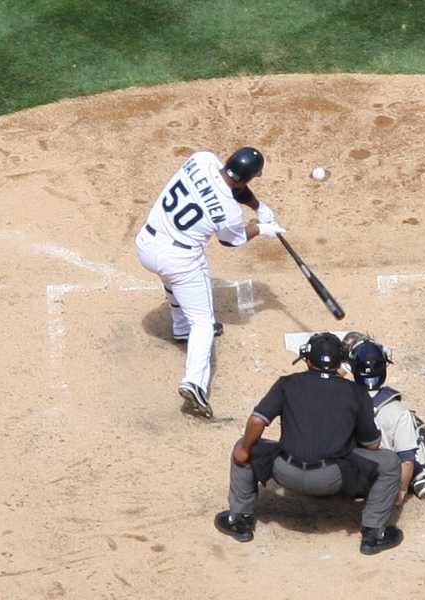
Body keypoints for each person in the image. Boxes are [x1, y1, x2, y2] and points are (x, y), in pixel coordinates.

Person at [214, 332, 405, 556]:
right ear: (341, 362)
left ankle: (239, 520)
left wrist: (245, 449)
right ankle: (373, 535)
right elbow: (371, 445)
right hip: (332, 478)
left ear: (307, 359)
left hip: (284, 471)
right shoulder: (357, 392)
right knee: (390, 462)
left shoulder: (287, 383)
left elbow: (257, 421)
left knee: (243, 444)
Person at [135, 147, 285, 418]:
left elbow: (232, 184)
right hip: (178, 260)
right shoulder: (229, 212)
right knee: (203, 322)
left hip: (147, 244)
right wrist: (262, 227)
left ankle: (181, 328)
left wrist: (258, 206)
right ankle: (194, 383)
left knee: (183, 275)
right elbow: (231, 240)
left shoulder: (201, 160)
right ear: (249, 178)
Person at [346, 335, 425, 505]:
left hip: (346, 479)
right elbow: (406, 460)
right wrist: (401, 490)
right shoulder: (398, 411)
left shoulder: (341, 402)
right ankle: (422, 476)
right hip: (383, 483)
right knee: (418, 427)